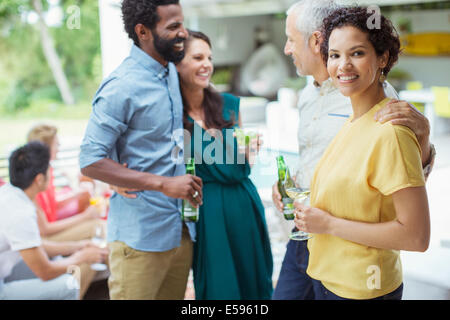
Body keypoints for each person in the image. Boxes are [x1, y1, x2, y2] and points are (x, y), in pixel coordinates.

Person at [271, 0, 435, 300]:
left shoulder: (386, 116)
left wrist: (422, 137)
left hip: (359, 278)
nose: (343, 65)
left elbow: (414, 229)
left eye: (357, 53)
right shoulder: (341, 109)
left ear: (382, 58)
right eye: (335, 55)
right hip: (321, 256)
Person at [79, 0, 203, 300]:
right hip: (139, 240)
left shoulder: (170, 71)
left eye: (182, 23)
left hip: (180, 232)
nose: (183, 33)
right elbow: (90, 159)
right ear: (143, 31)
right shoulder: (120, 86)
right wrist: (161, 183)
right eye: (173, 27)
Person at [176, 30, 273, 299]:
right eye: (197, 57)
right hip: (206, 212)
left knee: (254, 280)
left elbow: (241, 163)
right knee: (220, 288)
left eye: (209, 57)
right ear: (176, 63)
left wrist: (249, 151)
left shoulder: (229, 105)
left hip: (244, 202)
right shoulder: (171, 114)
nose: (207, 64)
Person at [0, 142, 107, 300]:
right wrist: (81, 256)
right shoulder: (21, 213)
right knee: (69, 285)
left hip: (6, 271)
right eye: (49, 170)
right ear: (39, 179)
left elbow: (34, 244)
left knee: (59, 260)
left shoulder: (9, 194)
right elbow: (45, 272)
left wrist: (79, 246)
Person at [27, 124, 105, 241]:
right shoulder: (36, 179)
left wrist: (76, 194)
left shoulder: (46, 169)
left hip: (51, 228)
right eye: (56, 144)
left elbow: (50, 206)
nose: (59, 147)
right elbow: (45, 230)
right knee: (98, 226)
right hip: (44, 239)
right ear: (46, 148)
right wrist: (85, 216)